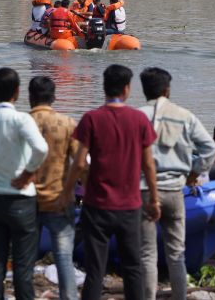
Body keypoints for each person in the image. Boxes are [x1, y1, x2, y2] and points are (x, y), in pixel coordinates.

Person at [57, 64, 161, 300]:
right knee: (133, 267)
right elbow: (148, 164)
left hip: (97, 206)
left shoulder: (91, 118)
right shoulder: (139, 119)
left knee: (95, 270)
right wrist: (154, 199)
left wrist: (67, 192)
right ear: (127, 89)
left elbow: (80, 162)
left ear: (104, 88)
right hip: (130, 206)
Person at [138, 68, 215, 300]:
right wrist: (194, 173)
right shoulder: (184, 115)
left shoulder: (137, 116)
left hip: (144, 190)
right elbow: (210, 150)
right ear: (167, 90)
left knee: (147, 253)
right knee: (176, 253)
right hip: (175, 190)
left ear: (144, 90)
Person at [0, 68, 48, 300]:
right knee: (23, 265)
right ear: (17, 91)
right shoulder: (21, 119)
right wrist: (28, 173)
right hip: (21, 200)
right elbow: (41, 148)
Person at [28, 76, 79, 300]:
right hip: (59, 199)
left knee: (25, 259)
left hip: (25, 200)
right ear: (54, 97)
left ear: (29, 97)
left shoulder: (21, 122)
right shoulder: (67, 123)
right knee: (63, 257)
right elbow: (80, 163)